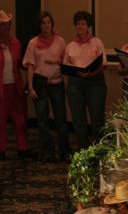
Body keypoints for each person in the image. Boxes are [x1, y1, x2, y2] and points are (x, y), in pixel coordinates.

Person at [0, 10, 33, 159]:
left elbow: (20, 62)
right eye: (3, 25)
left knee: (20, 118)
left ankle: (23, 148)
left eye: (8, 25)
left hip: (15, 86)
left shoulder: (15, 43)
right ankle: (1, 149)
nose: (7, 28)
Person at [23, 11, 70, 162]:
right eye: (43, 23)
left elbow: (67, 61)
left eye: (48, 22)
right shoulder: (33, 43)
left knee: (61, 119)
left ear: (52, 24)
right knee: (43, 120)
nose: (46, 25)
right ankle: (47, 151)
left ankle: (64, 151)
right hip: (40, 84)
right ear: (39, 26)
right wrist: (30, 87)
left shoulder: (60, 41)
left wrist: (58, 59)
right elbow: (30, 66)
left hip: (56, 84)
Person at [63, 10, 107, 149]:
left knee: (97, 120)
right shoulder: (70, 46)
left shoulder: (96, 42)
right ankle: (83, 151)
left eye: (83, 23)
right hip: (75, 84)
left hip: (95, 82)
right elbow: (66, 65)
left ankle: (98, 152)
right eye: (77, 24)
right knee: (79, 121)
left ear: (88, 26)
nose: (80, 26)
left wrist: (91, 73)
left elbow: (103, 64)